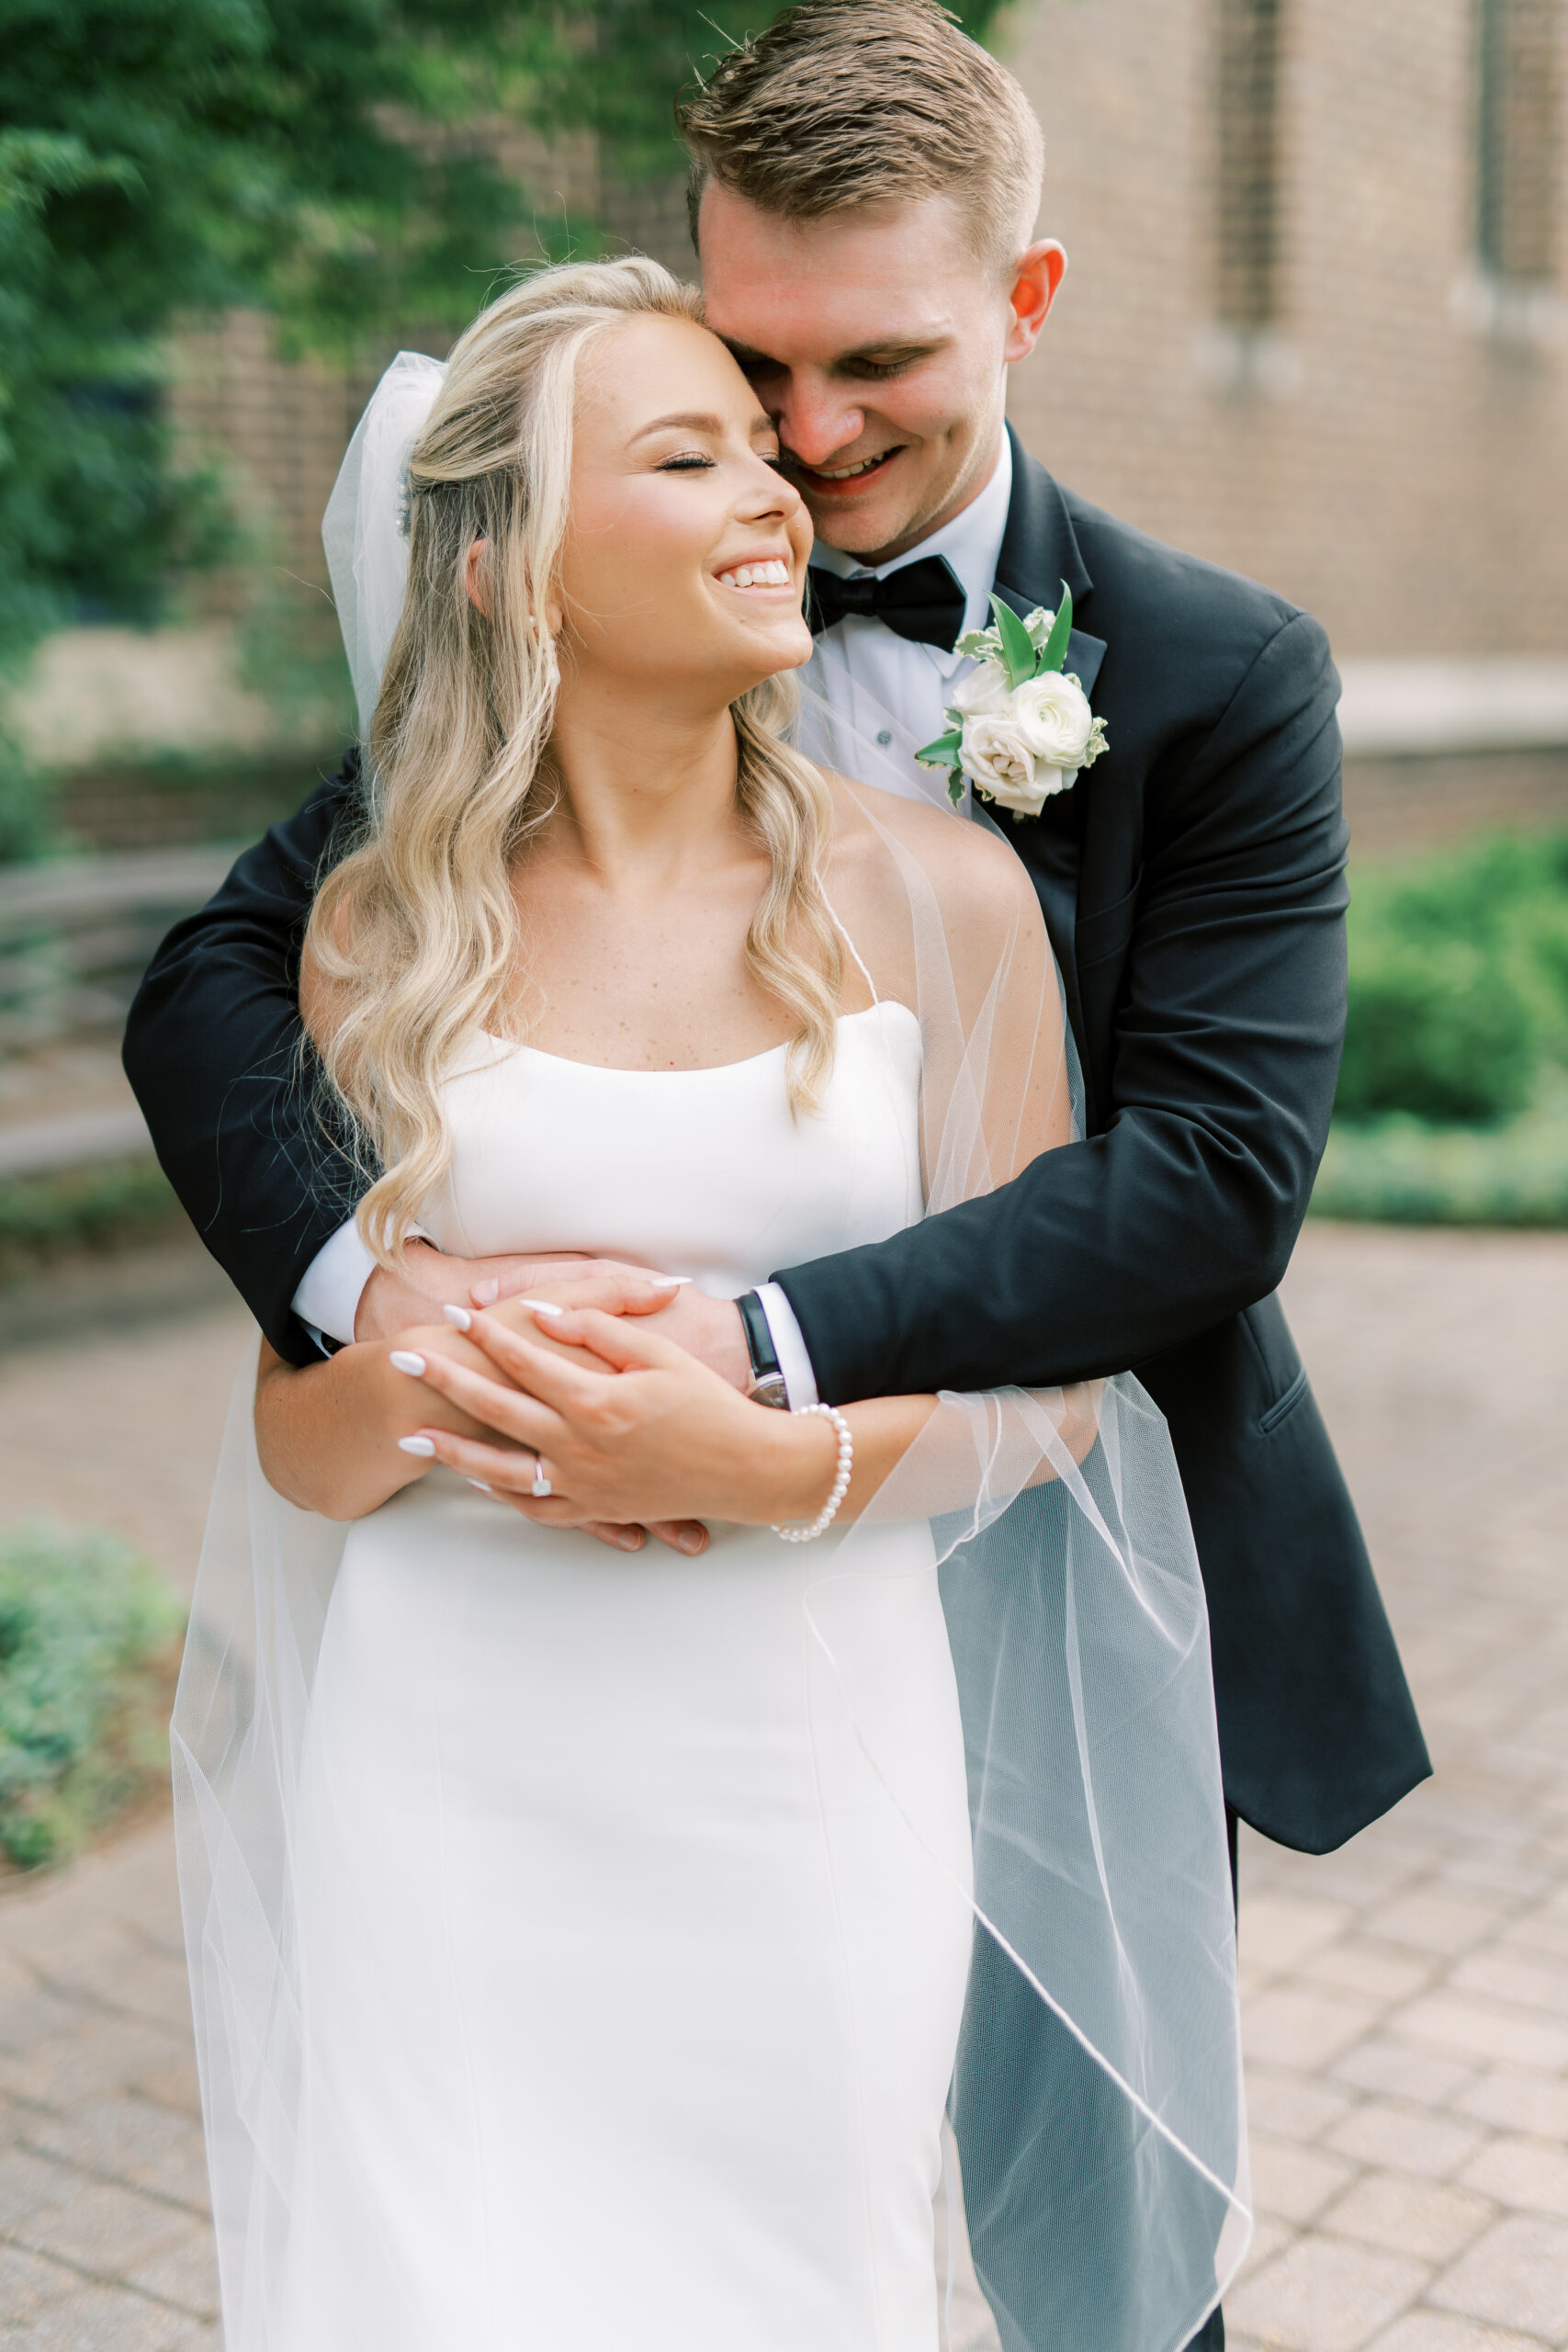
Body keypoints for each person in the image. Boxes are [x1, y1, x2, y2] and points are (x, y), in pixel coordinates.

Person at [168, 257, 1247, 2351]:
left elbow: (1052, 1400)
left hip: (798, 1750)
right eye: (690, 455)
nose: (777, 495)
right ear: (505, 572)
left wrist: (769, 1456)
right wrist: (443, 1376)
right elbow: (300, 1441)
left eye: (764, 452)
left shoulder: (940, 898)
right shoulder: (380, 926)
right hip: (442, 1759)